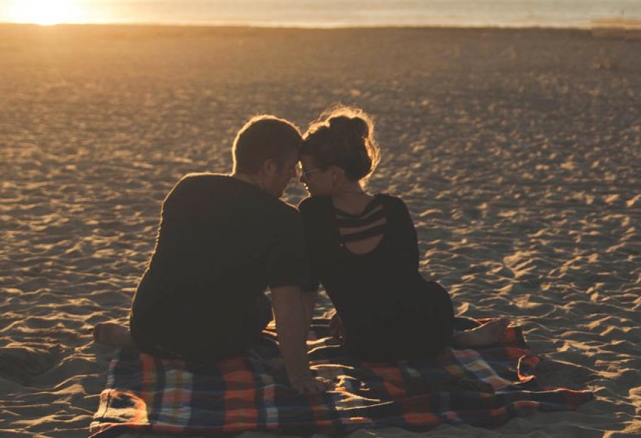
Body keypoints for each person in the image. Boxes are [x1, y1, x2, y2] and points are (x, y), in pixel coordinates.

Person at [94, 115, 325, 394]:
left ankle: (137, 342)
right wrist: (299, 375)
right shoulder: (283, 219)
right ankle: (168, 345)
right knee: (262, 308)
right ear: (268, 167)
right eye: (290, 168)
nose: (293, 177)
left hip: (147, 323)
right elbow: (286, 306)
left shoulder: (188, 187)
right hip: (205, 343)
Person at [298, 106, 507, 361]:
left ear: (334, 173)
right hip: (427, 330)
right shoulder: (393, 208)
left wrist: (343, 311)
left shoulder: (312, 214)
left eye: (307, 172)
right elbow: (401, 275)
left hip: (366, 342)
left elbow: (308, 287)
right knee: (429, 295)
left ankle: (455, 339)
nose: (302, 181)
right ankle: (455, 339)